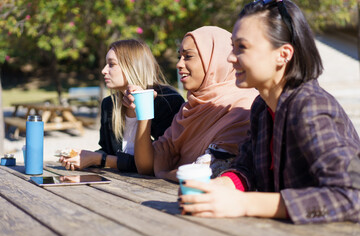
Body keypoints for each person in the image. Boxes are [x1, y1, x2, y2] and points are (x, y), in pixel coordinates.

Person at [178, 0, 360, 224]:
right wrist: (217, 188)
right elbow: (247, 168)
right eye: (232, 47)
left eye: (242, 47)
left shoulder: (311, 108)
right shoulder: (261, 108)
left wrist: (244, 204)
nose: (230, 57)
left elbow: (352, 196)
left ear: (283, 54)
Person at [124, 26, 259, 181]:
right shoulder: (190, 108)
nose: (179, 64)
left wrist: (163, 173)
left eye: (188, 56)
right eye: (179, 56)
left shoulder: (243, 106)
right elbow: (146, 166)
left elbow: (208, 171)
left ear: (215, 60)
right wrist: (143, 111)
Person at [59, 39, 184, 172]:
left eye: (111, 64)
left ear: (132, 66)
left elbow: (156, 164)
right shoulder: (109, 105)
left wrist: (99, 159)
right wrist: (82, 157)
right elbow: (108, 151)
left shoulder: (167, 102)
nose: (103, 70)